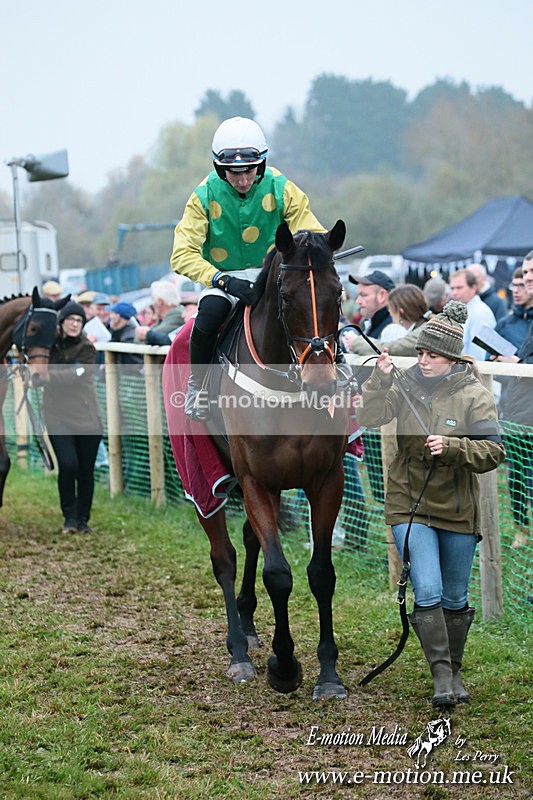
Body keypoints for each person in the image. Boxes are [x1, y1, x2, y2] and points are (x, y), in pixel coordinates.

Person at [357, 301, 505, 706]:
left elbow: (493, 451)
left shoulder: (475, 394)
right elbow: (369, 417)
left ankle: (455, 672)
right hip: (408, 501)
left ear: (452, 359)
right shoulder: (404, 383)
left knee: (456, 598)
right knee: (429, 588)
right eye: (421, 352)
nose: (423, 360)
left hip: (457, 506)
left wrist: (453, 447)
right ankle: (441, 678)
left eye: (433, 355)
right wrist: (379, 380)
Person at [170, 116, 325, 420]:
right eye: (233, 173)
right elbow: (181, 253)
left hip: (275, 277)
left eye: (250, 171)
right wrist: (221, 279)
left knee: (315, 305)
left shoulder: (282, 187)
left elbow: (310, 232)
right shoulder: (203, 196)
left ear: (262, 164)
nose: (242, 180)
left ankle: (337, 368)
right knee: (209, 315)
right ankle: (198, 386)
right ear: (219, 168)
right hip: (223, 280)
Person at [43, 301, 104, 534]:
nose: (75, 324)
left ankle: (82, 519)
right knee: (68, 465)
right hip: (57, 417)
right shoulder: (51, 346)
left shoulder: (88, 349)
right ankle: (69, 516)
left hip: (88, 419)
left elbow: (76, 375)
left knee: (85, 471)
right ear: (62, 322)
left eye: (79, 321)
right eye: (71, 320)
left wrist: (46, 376)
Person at [495, 252, 533, 548]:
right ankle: (522, 527)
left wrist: (518, 363)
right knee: (517, 476)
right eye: (520, 280)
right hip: (514, 408)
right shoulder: (505, 323)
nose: (522, 285)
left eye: (527, 279)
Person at [449, 269, 496, 360]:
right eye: (452, 288)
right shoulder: (464, 310)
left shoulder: (480, 313)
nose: (454, 293)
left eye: (459, 288)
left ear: (474, 288)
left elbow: (479, 355)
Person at [134, 280, 184, 345]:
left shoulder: (178, 315)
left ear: (159, 302)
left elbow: (151, 336)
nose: (152, 303)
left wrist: (144, 334)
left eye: (153, 299)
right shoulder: (163, 318)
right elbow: (139, 338)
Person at [347, 270, 395, 338]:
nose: (358, 301)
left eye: (363, 295)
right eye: (358, 295)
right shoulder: (371, 322)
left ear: (382, 296)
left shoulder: (392, 329)